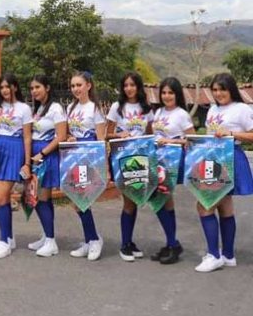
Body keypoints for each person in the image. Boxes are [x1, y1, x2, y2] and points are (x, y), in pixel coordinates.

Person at [195, 73, 253, 273]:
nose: (218, 93)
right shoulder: (212, 109)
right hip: (212, 159)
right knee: (225, 206)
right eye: (215, 90)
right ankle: (228, 255)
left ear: (231, 89)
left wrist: (231, 134)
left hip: (229, 158)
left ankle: (213, 255)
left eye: (222, 89)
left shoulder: (241, 109)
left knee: (204, 204)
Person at [106, 72, 154, 262]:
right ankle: (125, 244)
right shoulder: (117, 107)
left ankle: (130, 241)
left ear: (138, 87)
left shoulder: (146, 108)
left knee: (134, 200)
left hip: (141, 158)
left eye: (132, 85)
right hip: (122, 158)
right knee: (128, 201)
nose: (128, 88)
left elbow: (150, 135)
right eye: (125, 85)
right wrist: (119, 135)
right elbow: (107, 135)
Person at [0, 74, 32, 259]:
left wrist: (27, 162)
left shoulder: (24, 108)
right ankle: (7, 237)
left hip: (13, 150)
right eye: (2, 87)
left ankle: (5, 242)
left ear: (15, 87)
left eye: (8, 86)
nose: (5, 90)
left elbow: (27, 137)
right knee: (1, 198)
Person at [150, 77, 194, 265]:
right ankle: (172, 243)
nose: (166, 96)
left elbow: (192, 140)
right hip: (157, 160)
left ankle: (172, 244)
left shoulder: (182, 114)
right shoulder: (157, 111)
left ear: (177, 94)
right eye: (164, 92)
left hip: (172, 162)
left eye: (170, 92)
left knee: (162, 198)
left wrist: (169, 142)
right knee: (162, 201)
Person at [65, 72, 105, 261]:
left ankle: (95, 240)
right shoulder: (70, 108)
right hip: (73, 158)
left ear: (89, 85)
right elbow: (67, 134)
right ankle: (89, 239)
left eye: (79, 85)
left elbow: (101, 140)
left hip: (88, 159)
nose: (75, 89)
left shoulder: (94, 109)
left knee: (83, 200)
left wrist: (99, 165)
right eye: (73, 86)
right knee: (76, 202)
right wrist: (70, 138)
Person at [27, 75, 68, 258]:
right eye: (32, 88)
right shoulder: (39, 108)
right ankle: (46, 235)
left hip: (47, 157)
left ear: (47, 87)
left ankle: (51, 241)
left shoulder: (56, 108)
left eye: (37, 87)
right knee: (40, 198)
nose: (34, 91)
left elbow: (61, 136)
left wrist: (42, 153)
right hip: (36, 157)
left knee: (40, 198)